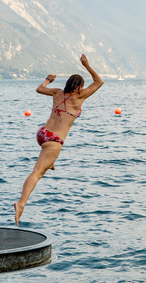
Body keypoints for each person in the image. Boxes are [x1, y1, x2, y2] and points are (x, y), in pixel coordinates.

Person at [15, 54, 103, 225]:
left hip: (42, 134)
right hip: (54, 141)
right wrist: (87, 65)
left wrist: (48, 79)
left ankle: (51, 161)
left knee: (49, 159)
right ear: (79, 88)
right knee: (37, 173)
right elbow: (99, 81)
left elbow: (39, 89)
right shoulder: (79, 97)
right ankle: (21, 203)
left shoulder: (57, 92)